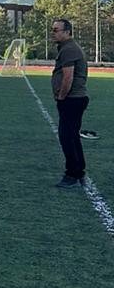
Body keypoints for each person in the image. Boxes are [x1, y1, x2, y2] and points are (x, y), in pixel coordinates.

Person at [51, 17, 89, 188]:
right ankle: (78, 171)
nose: (53, 33)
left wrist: (61, 97)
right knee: (72, 136)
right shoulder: (67, 47)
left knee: (67, 137)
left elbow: (68, 77)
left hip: (72, 99)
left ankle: (72, 174)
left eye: (56, 30)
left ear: (67, 32)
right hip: (75, 99)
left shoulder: (69, 49)